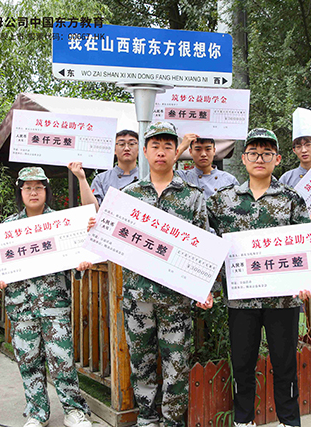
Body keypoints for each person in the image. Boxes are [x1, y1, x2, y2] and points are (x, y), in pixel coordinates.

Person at [207, 128, 311, 427]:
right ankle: (243, 420)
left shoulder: (292, 199)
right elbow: (203, 238)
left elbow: (305, 244)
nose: (260, 159)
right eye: (253, 153)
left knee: (285, 365)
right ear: (244, 158)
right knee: (242, 365)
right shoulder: (223, 200)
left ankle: (289, 421)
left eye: (267, 153)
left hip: (283, 299)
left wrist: (308, 282)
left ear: (277, 159)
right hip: (241, 299)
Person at [116, 122, 212, 427]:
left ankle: (172, 421)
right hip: (138, 297)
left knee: (177, 364)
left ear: (177, 153)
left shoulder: (193, 197)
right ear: (145, 152)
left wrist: (204, 287)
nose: (161, 152)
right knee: (141, 361)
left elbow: (203, 245)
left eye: (168, 146)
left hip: (176, 298)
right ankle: (146, 419)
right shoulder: (128, 195)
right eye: (155, 146)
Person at [0, 167, 92, 427]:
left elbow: (76, 259)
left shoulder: (62, 223)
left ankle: (73, 410)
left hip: (54, 304)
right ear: (20, 192)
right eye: (28, 188)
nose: (33, 192)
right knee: (28, 361)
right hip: (21, 306)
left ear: (47, 190)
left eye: (38, 187)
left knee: (62, 359)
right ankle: (37, 412)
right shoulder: (7, 228)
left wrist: (80, 264)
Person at [279, 107, 311, 340]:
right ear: (294, 150)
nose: (304, 149)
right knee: (296, 304)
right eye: (298, 145)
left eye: (308, 144)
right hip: (296, 249)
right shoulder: (286, 179)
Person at [68, 129, 139, 210]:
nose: (126, 148)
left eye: (131, 144)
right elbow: (92, 209)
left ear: (139, 149)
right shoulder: (101, 179)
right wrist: (81, 178)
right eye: (121, 144)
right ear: (114, 150)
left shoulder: (147, 176)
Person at [175, 133, 239, 199]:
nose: (203, 154)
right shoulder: (182, 177)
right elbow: (167, 167)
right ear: (190, 152)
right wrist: (182, 147)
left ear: (214, 151)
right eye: (198, 149)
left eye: (208, 149)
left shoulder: (229, 180)